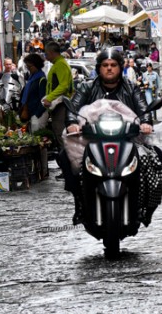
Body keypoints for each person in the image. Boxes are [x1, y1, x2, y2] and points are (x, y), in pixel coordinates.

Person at [63, 47, 155, 222]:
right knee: (64, 157)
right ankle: (79, 202)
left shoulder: (132, 88)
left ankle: (147, 206)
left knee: (156, 157)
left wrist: (146, 122)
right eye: (105, 65)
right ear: (99, 68)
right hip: (92, 138)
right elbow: (73, 108)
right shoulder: (86, 87)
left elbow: (143, 109)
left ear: (120, 67)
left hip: (127, 138)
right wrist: (72, 123)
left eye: (113, 64)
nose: (109, 68)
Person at [42, 40, 74, 160]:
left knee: (60, 133)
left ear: (51, 52)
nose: (46, 56)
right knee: (59, 131)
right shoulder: (58, 64)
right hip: (57, 104)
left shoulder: (60, 64)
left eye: (46, 53)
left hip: (61, 104)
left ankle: (68, 163)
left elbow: (64, 85)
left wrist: (49, 98)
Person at [19, 53, 48, 132]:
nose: (28, 69)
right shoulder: (32, 78)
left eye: (29, 66)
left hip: (39, 115)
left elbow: (44, 100)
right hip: (32, 114)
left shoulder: (42, 80)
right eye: (27, 66)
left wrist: (36, 115)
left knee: (37, 137)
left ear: (36, 65)